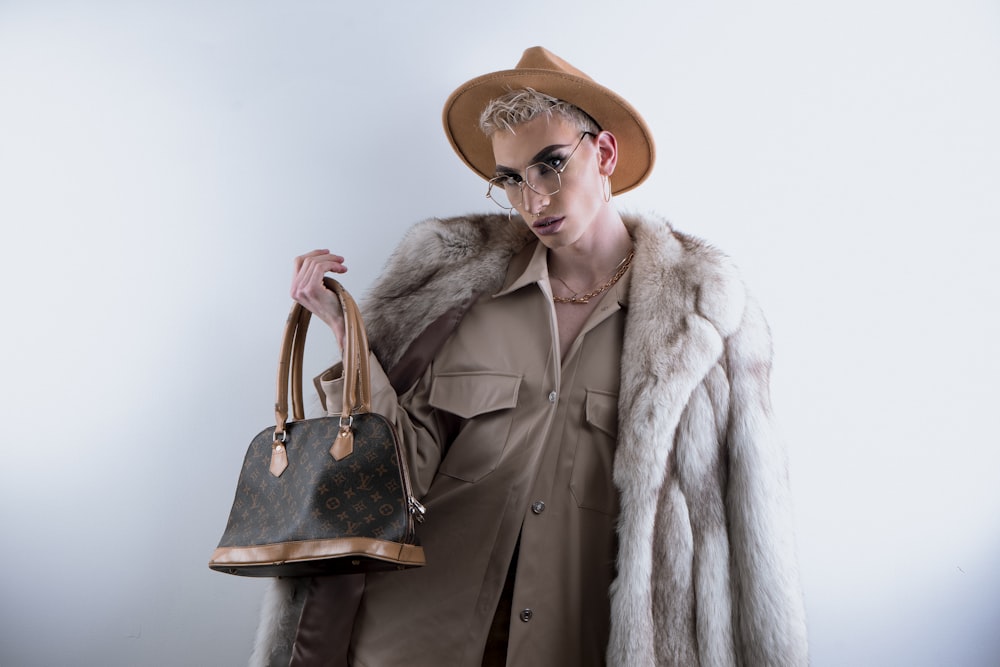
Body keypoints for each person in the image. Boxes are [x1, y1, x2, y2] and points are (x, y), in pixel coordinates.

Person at [250, 46, 808, 666]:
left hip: (579, 640)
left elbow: (738, 527)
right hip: (420, 636)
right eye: (511, 179)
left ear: (603, 154)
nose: (533, 199)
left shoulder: (699, 323)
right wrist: (344, 332)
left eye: (550, 165)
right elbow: (399, 471)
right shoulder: (459, 293)